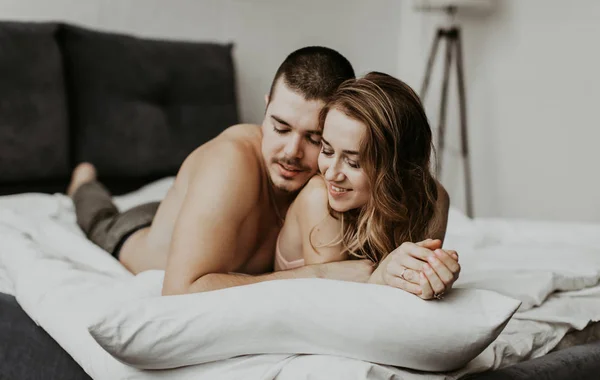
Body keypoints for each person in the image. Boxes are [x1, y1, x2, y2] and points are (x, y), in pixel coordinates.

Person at [66, 47, 457, 297]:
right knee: (98, 213)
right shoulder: (233, 162)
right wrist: (322, 275)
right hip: (134, 235)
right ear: (267, 105)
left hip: (210, 221)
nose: (291, 152)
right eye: (280, 126)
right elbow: (179, 292)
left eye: (314, 139)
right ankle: (84, 181)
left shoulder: (331, 177)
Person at [274, 72, 460, 299]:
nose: (331, 173)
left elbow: (417, 292)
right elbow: (330, 309)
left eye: (353, 163)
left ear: (397, 169)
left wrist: (433, 277)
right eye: (327, 150)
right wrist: (381, 278)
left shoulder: (433, 198)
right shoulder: (319, 199)